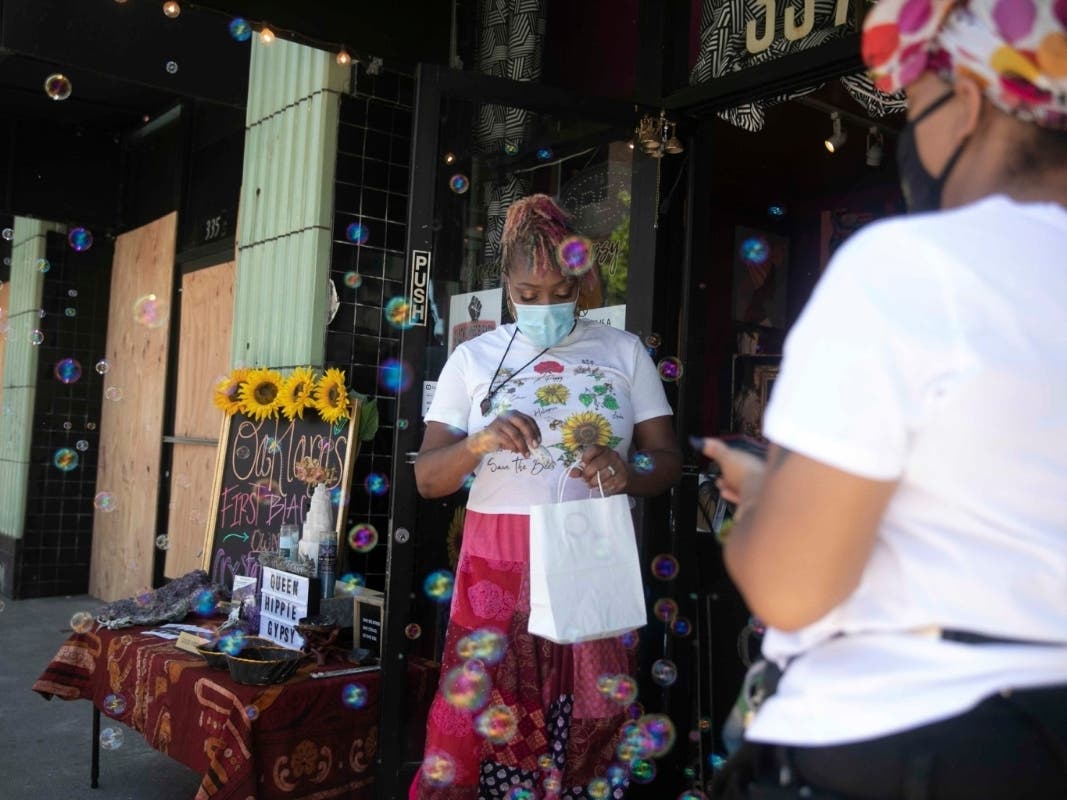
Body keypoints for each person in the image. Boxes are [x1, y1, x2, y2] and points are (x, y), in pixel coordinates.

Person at [698, 1, 1067, 797]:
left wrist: (760, 502)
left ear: (969, 96)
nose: (911, 138)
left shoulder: (916, 265)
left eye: (915, 106)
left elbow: (789, 589)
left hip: (911, 745)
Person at [410, 194, 682, 800]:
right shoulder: (472, 359)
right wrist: (478, 442)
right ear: (505, 284)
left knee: (591, 717)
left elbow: (666, 461)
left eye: (559, 291)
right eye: (528, 295)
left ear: (581, 281)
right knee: (480, 721)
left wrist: (625, 470)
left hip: (591, 553)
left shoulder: (623, 353)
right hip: (496, 558)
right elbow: (429, 479)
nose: (544, 306)